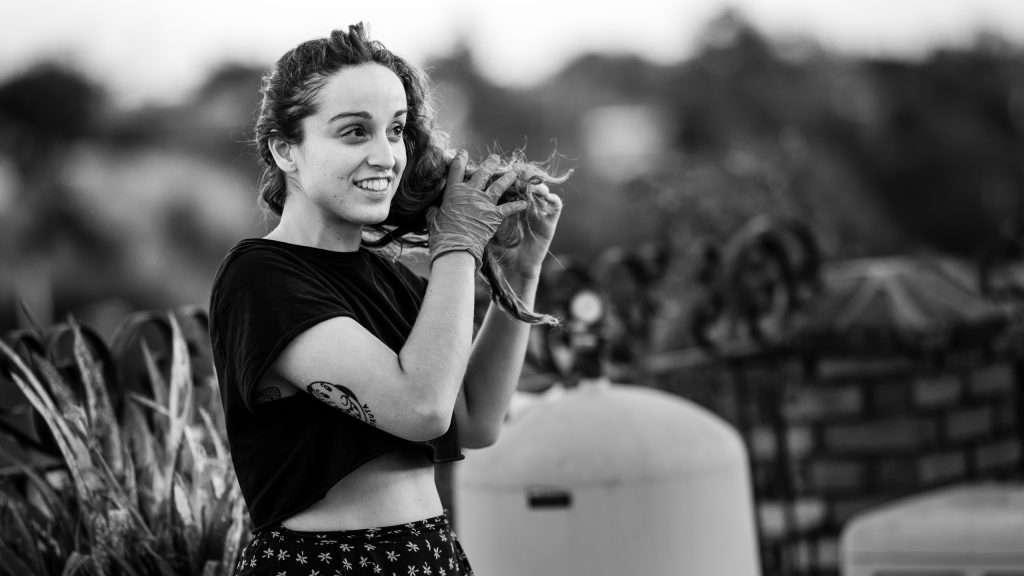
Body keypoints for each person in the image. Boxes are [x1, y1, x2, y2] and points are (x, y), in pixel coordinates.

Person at [208, 23, 564, 576]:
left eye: (396, 131)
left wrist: (519, 273)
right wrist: (458, 247)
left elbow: (474, 421)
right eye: (355, 132)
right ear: (285, 150)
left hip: (430, 554)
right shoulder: (261, 277)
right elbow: (419, 409)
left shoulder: (388, 276)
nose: (386, 156)